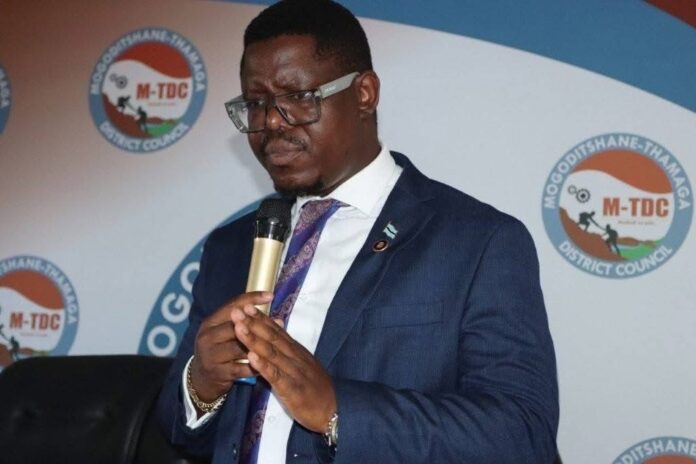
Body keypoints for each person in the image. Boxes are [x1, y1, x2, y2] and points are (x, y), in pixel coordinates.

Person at [157, 1, 559, 463]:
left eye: (298, 98)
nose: (271, 122)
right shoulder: (231, 248)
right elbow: (178, 431)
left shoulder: (478, 242)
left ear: (364, 93)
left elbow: (521, 433)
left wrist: (337, 411)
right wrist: (201, 385)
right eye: (256, 103)